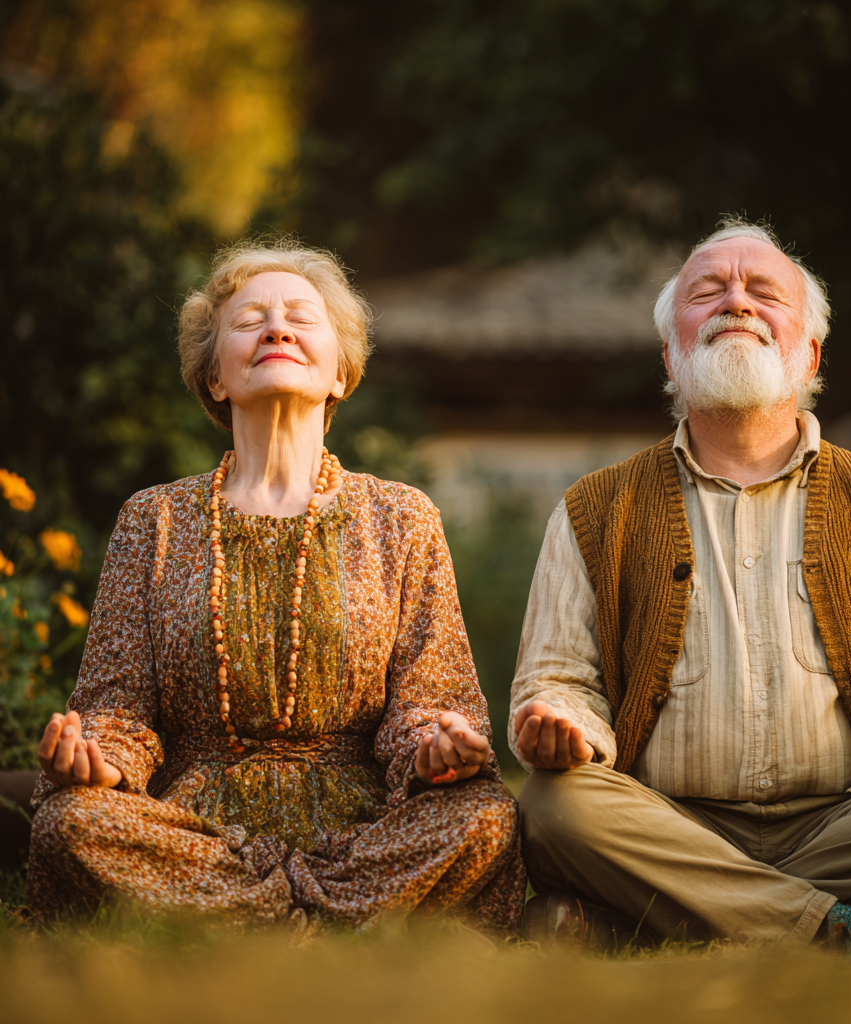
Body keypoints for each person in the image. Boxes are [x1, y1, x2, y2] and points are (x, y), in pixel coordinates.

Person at [509, 217, 851, 961]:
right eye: (707, 292)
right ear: (671, 356)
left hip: (846, 824)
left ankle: (652, 917)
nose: (735, 303)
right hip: (663, 821)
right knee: (555, 808)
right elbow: (558, 676)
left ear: (809, 350)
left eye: (763, 292)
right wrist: (564, 724)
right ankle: (844, 933)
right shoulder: (596, 508)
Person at [28, 238, 524, 931]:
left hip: (364, 830)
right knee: (70, 821)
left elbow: (432, 701)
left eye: (299, 316)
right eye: (250, 319)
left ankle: (234, 925)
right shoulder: (154, 518)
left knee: (484, 818)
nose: (277, 327)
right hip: (193, 831)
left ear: (341, 375)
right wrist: (97, 760)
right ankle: (334, 928)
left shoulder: (401, 516)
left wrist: (437, 747)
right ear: (215, 379)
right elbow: (117, 710)